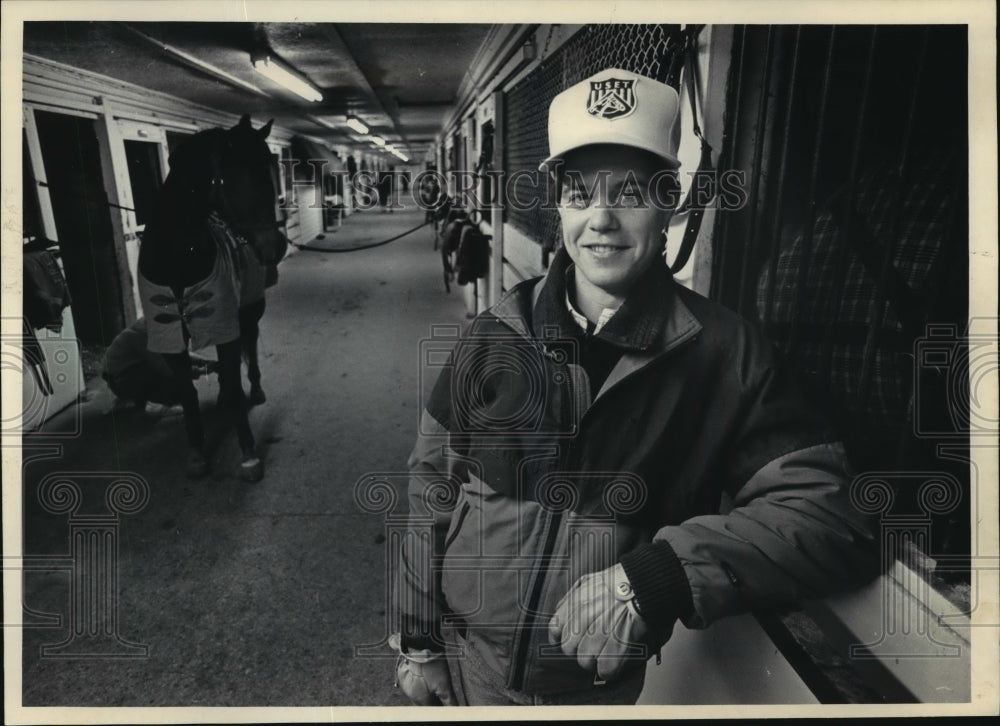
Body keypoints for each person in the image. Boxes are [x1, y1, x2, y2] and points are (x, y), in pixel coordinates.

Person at [392, 68, 880, 706]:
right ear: (556, 200)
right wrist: (418, 637)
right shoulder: (493, 335)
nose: (602, 219)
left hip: (592, 683)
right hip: (469, 660)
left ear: (671, 199)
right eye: (579, 191)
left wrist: (661, 575)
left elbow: (833, 516)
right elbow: (431, 482)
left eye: (630, 191)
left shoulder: (726, 357)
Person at [102, 317, 216, 413]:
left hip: (123, 373)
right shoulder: (141, 337)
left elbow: (173, 354)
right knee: (171, 383)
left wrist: (202, 361)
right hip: (120, 380)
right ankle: (134, 398)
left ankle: (131, 398)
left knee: (164, 366)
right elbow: (167, 369)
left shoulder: (149, 326)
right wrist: (203, 370)